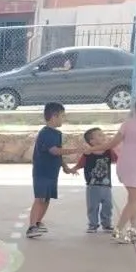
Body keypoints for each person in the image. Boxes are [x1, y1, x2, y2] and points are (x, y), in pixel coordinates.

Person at [86, 92, 136, 243]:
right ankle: (118, 230)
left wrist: (92, 149)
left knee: (133, 199)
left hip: (124, 165)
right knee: (134, 201)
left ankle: (134, 229)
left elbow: (110, 144)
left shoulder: (127, 124)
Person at [26, 102, 86, 239]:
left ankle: (38, 222)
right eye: (62, 116)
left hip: (52, 173)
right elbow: (54, 151)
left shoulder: (57, 134)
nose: (63, 119)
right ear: (54, 116)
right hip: (42, 172)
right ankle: (31, 227)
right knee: (40, 198)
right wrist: (75, 150)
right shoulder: (46, 133)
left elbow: (58, 154)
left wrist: (65, 167)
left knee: (47, 199)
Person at [68, 127, 117, 233]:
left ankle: (107, 224)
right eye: (99, 135)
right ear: (92, 141)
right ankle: (93, 224)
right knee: (92, 206)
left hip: (106, 185)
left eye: (103, 134)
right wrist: (73, 169)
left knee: (108, 205)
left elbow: (117, 159)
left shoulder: (109, 151)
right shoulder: (88, 154)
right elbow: (81, 164)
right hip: (92, 185)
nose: (103, 136)